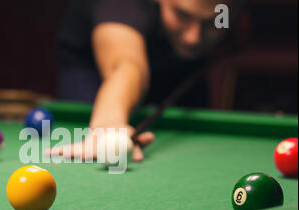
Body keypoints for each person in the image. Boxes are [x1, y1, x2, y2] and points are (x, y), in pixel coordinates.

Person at [48, 0, 243, 162]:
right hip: (92, 71)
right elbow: (126, 65)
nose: (193, 37)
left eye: (210, 23)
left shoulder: (223, 15)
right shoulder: (124, 5)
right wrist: (109, 123)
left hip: (177, 69)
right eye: (182, 15)